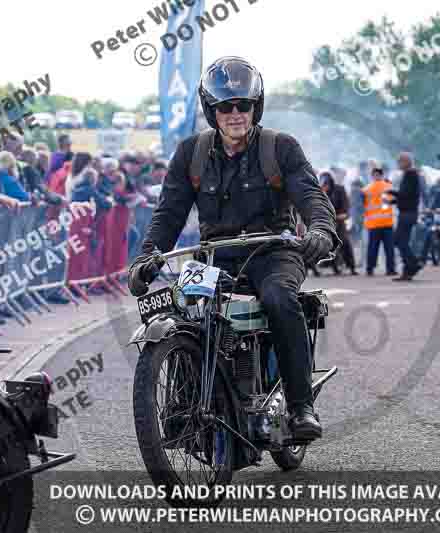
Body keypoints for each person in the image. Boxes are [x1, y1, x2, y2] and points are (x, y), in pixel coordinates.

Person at [128, 56, 337, 440]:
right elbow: (168, 214)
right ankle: (182, 406)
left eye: (243, 104)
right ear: (212, 110)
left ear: (255, 105)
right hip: (214, 256)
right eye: (226, 106)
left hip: (275, 252)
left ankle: (300, 405)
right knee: (184, 305)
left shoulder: (281, 147)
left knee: (277, 298)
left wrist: (321, 230)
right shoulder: (190, 153)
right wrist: (145, 259)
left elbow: (311, 197)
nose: (236, 113)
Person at [386, 152, 421, 281]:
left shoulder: (410, 174)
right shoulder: (410, 174)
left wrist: (391, 192)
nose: (398, 164)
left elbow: (405, 194)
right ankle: (408, 270)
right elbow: (407, 196)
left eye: (400, 161)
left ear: (406, 162)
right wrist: (393, 201)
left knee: (399, 240)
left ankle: (413, 263)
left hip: (408, 213)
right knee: (402, 241)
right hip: (407, 211)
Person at [315, 171, 357, 276]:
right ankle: (335, 268)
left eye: (327, 185)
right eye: (323, 185)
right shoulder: (320, 192)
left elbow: (346, 206)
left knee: (345, 243)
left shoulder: (339, 190)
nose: (326, 187)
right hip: (327, 222)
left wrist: (343, 215)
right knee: (329, 246)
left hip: (339, 220)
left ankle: (351, 267)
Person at [361, 166, 396, 276]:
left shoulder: (366, 189)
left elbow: (363, 205)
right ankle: (390, 269)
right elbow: (390, 202)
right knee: (389, 248)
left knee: (372, 248)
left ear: (372, 176)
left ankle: (369, 269)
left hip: (373, 224)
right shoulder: (388, 187)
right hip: (386, 222)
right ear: (382, 175)